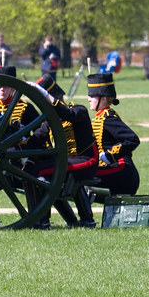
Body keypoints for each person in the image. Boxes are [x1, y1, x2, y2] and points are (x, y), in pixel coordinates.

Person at [25, 74, 98, 229]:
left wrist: (45, 95)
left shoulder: (79, 110)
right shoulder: (48, 122)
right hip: (66, 161)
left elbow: (67, 114)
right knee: (34, 170)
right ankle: (70, 220)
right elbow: (34, 141)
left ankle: (41, 220)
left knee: (40, 172)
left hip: (86, 160)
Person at [87, 72, 140, 196]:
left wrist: (109, 156)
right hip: (115, 169)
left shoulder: (108, 117)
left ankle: (85, 216)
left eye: (92, 95)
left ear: (103, 97)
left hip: (122, 170)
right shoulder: (101, 116)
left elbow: (132, 139)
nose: (88, 99)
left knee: (82, 176)